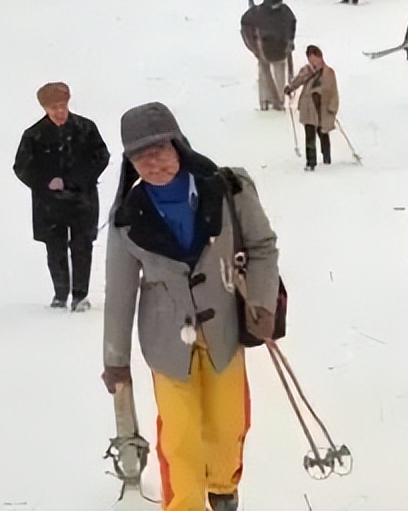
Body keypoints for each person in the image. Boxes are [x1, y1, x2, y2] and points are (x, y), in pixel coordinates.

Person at [101, 102, 280, 511]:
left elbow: (262, 248)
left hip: (224, 331)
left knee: (228, 425)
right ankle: (185, 504)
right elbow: (121, 293)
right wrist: (116, 359)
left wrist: (261, 302)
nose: (153, 162)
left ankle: (221, 488)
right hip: (166, 341)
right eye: (140, 155)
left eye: (160, 149)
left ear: (178, 145)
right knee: (180, 437)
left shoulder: (228, 188)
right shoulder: (127, 219)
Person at [13, 82, 110, 311]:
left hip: (82, 200)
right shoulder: (34, 135)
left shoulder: (86, 128)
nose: (60, 110)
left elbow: (101, 157)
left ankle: (80, 295)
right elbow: (21, 167)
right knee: (54, 249)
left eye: (63, 105)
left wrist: (74, 180)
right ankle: (60, 294)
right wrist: (45, 183)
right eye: (54, 107)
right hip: (49, 204)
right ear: (44, 108)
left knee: (82, 247)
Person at [241, 0, 296, 110]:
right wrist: (253, 44)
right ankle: (265, 100)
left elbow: (292, 24)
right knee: (264, 75)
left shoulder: (285, 11)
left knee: (279, 75)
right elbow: (245, 25)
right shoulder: (257, 13)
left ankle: (279, 101)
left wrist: (290, 40)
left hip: (280, 50)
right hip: (263, 50)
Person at [285, 45, 339, 171]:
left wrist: (332, 108)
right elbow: (298, 81)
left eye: (314, 59)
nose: (312, 62)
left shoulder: (328, 73)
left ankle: (327, 159)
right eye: (310, 59)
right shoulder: (306, 70)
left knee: (323, 133)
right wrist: (290, 88)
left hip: (322, 109)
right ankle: (311, 162)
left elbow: (333, 91)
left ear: (320, 57)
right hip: (308, 107)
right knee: (309, 134)